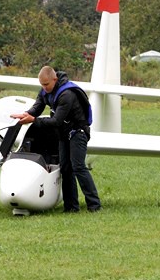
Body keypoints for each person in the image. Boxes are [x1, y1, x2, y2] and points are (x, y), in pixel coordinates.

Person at [11, 66, 101, 213]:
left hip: (78, 132)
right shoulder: (45, 90)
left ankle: (94, 205)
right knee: (65, 168)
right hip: (63, 134)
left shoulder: (67, 94)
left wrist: (33, 120)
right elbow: (37, 107)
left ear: (54, 79)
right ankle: (71, 207)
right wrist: (26, 114)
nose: (44, 88)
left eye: (46, 84)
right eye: (42, 85)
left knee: (78, 166)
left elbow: (56, 121)